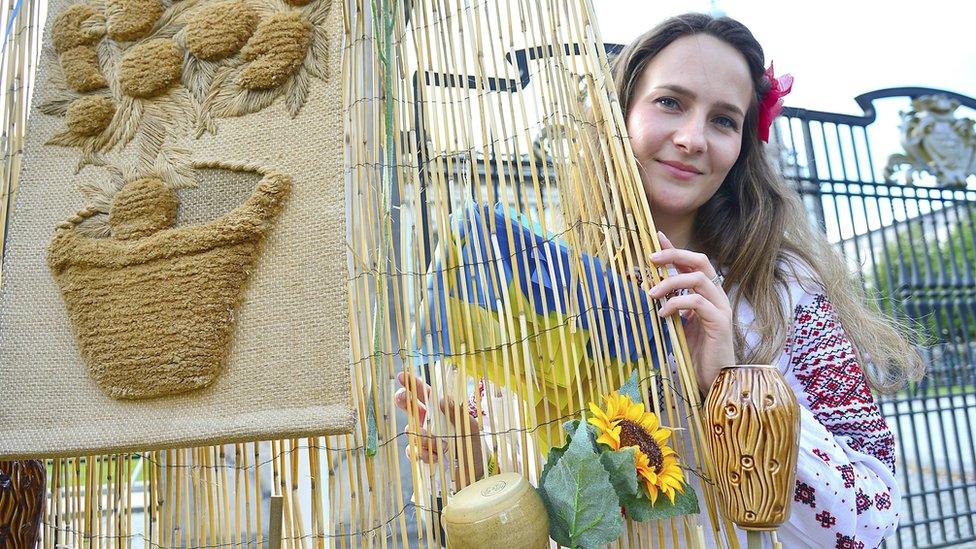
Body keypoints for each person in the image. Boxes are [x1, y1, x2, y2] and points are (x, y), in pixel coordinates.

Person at [395, 12, 923, 548]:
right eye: (670, 102)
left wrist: (728, 388)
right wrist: (473, 467)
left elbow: (869, 521)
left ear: (744, 146)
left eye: (723, 120)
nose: (693, 138)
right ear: (619, 116)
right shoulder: (533, 292)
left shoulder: (782, 292)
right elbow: (549, 522)